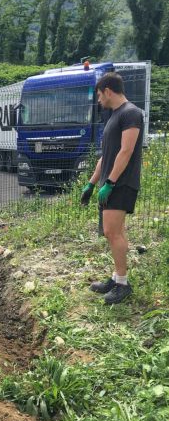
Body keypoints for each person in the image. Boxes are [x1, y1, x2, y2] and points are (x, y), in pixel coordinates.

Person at [80, 72, 144, 305]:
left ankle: (123, 285)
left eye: (99, 95)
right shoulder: (114, 117)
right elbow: (104, 157)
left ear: (108, 90)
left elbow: (126, 151)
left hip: (121, 183)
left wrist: (110, 182)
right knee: (113, 232)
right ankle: (117, 277)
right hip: (111, 182)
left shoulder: (131, 113)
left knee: (112, 232)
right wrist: (91, 184)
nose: (98, 100)